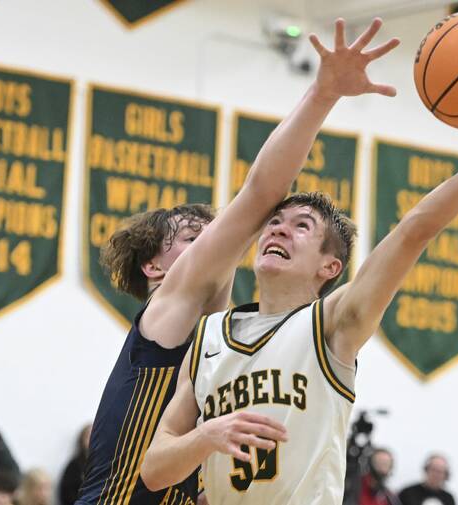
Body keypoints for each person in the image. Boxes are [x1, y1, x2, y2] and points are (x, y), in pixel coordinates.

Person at [141, 22, 458, 503]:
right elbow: (153, 470)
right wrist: (206, 437)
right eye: (275, 223)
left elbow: (416, 229)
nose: (278, 229)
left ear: (329, 268)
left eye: (302, 226)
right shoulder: (208, 336)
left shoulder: (333, 326)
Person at [76, 16, 400, 505]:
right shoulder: (169, 307)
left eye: (208, 232)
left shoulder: (222, 343)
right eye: (190, 237)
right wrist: (323, 93)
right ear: (155, 268)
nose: (212, 241)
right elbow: (262, 195)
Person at [59, 424, 91, 505]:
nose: (91, 439)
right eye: (88, 436)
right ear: (81, 440)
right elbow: (66, 493)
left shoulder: (104, 462)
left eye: (93, 435)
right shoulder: (74, 465)